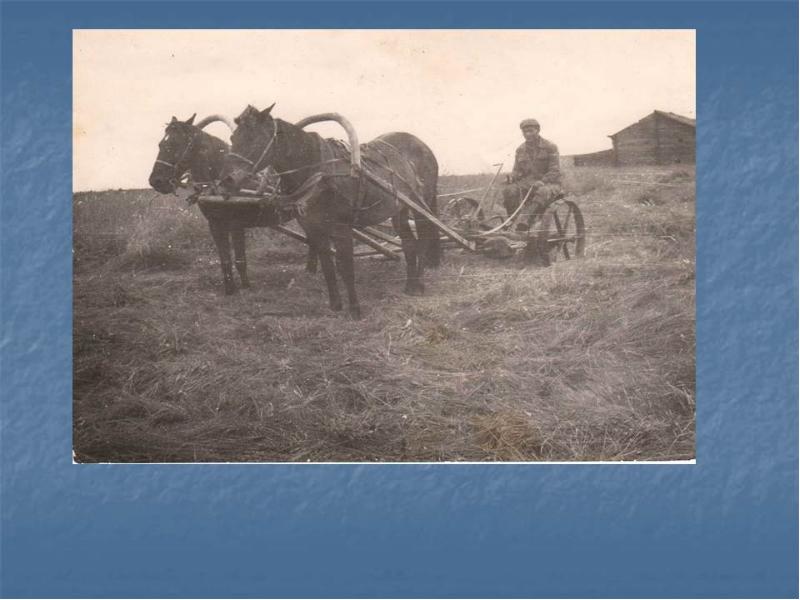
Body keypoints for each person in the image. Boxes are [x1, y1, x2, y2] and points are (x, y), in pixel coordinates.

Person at [501, 118, 562, 228]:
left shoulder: (550, 147)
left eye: (530, 131)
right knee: (509, 190)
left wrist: (542, 181)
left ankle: (525, 220)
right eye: (525, 132)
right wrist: (511, 178)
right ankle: (513, 220)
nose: (527, 134)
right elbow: (517, 170)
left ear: (538, 130)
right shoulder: (520, 149)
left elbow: (555, 171)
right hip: (528, 183)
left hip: (550, 184)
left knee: (542, 191)